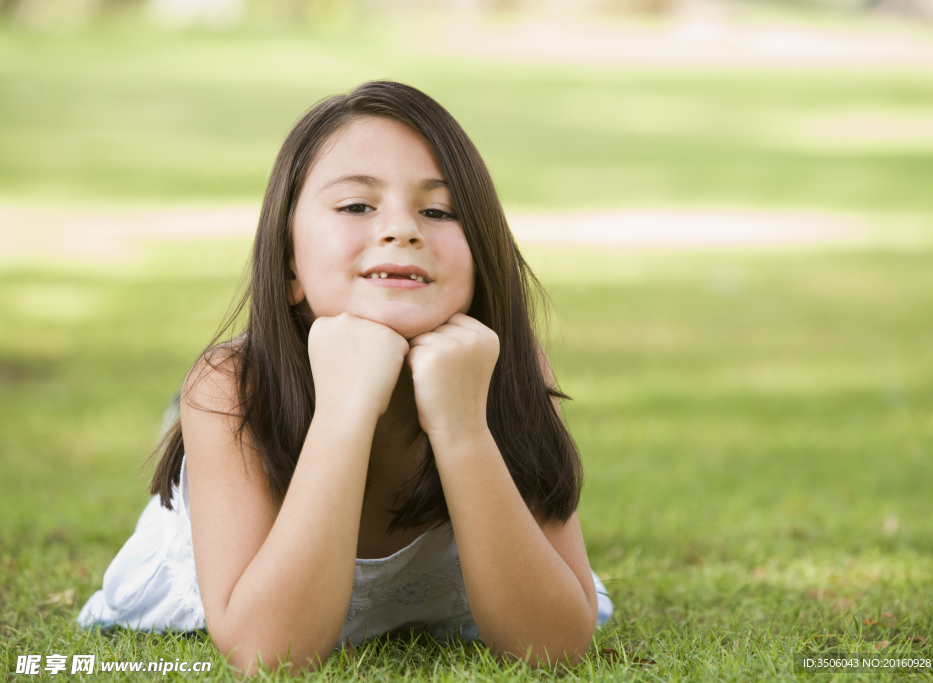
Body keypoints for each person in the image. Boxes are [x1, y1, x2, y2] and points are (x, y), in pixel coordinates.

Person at [77, 81, 612, 675]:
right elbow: (269, 656)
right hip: (251, 497)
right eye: (357, 206)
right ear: (288, 263)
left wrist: (463, 428)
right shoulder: (231, 388)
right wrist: (344, 410)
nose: (403, 229)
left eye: (439, 211)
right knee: (211, 424)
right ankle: (190, 458)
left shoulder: (507, 371)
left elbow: (553, 646)